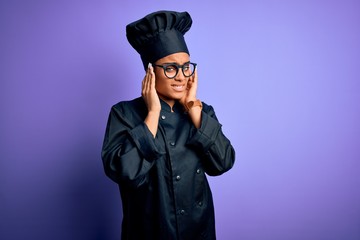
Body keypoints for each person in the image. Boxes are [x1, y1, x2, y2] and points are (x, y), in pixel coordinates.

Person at [101, 10, 235, 240]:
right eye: (171, 68)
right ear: (150, 72)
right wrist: (152, 113)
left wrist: (194, 109)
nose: (182, 77)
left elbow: (223, 163)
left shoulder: (203, 113)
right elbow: (124, 173)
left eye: (186, 67)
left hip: (199, 232)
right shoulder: (124, 113)